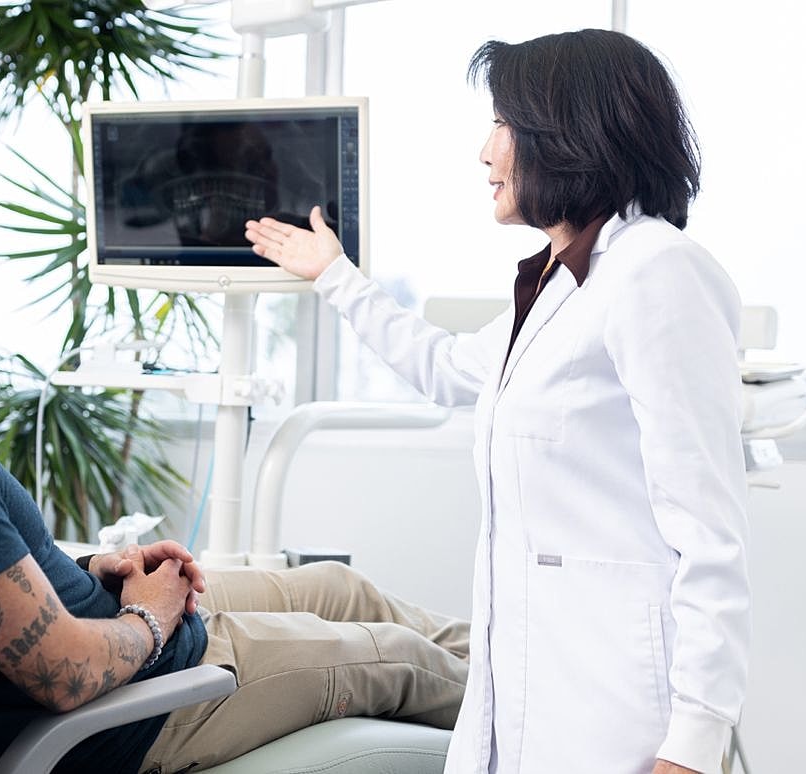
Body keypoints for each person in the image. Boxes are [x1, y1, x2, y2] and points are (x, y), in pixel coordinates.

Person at [0, 140, 470, 774]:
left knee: (340, 591)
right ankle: (536, 718)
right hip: (140, 711)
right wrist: (153, 617)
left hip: (124, 646)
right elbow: (65, 675)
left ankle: (530, 659)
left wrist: (92, 570)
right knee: (402, 657)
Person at [245, 29, 749, 774]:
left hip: (615, 703)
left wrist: (696, 743)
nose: (485, 153)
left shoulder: (656, 270)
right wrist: (334, 275)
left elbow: (710, 534)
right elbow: (446, 368)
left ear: (566, 133)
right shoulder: (560, 282)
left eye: (503, 125)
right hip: (526, 678)